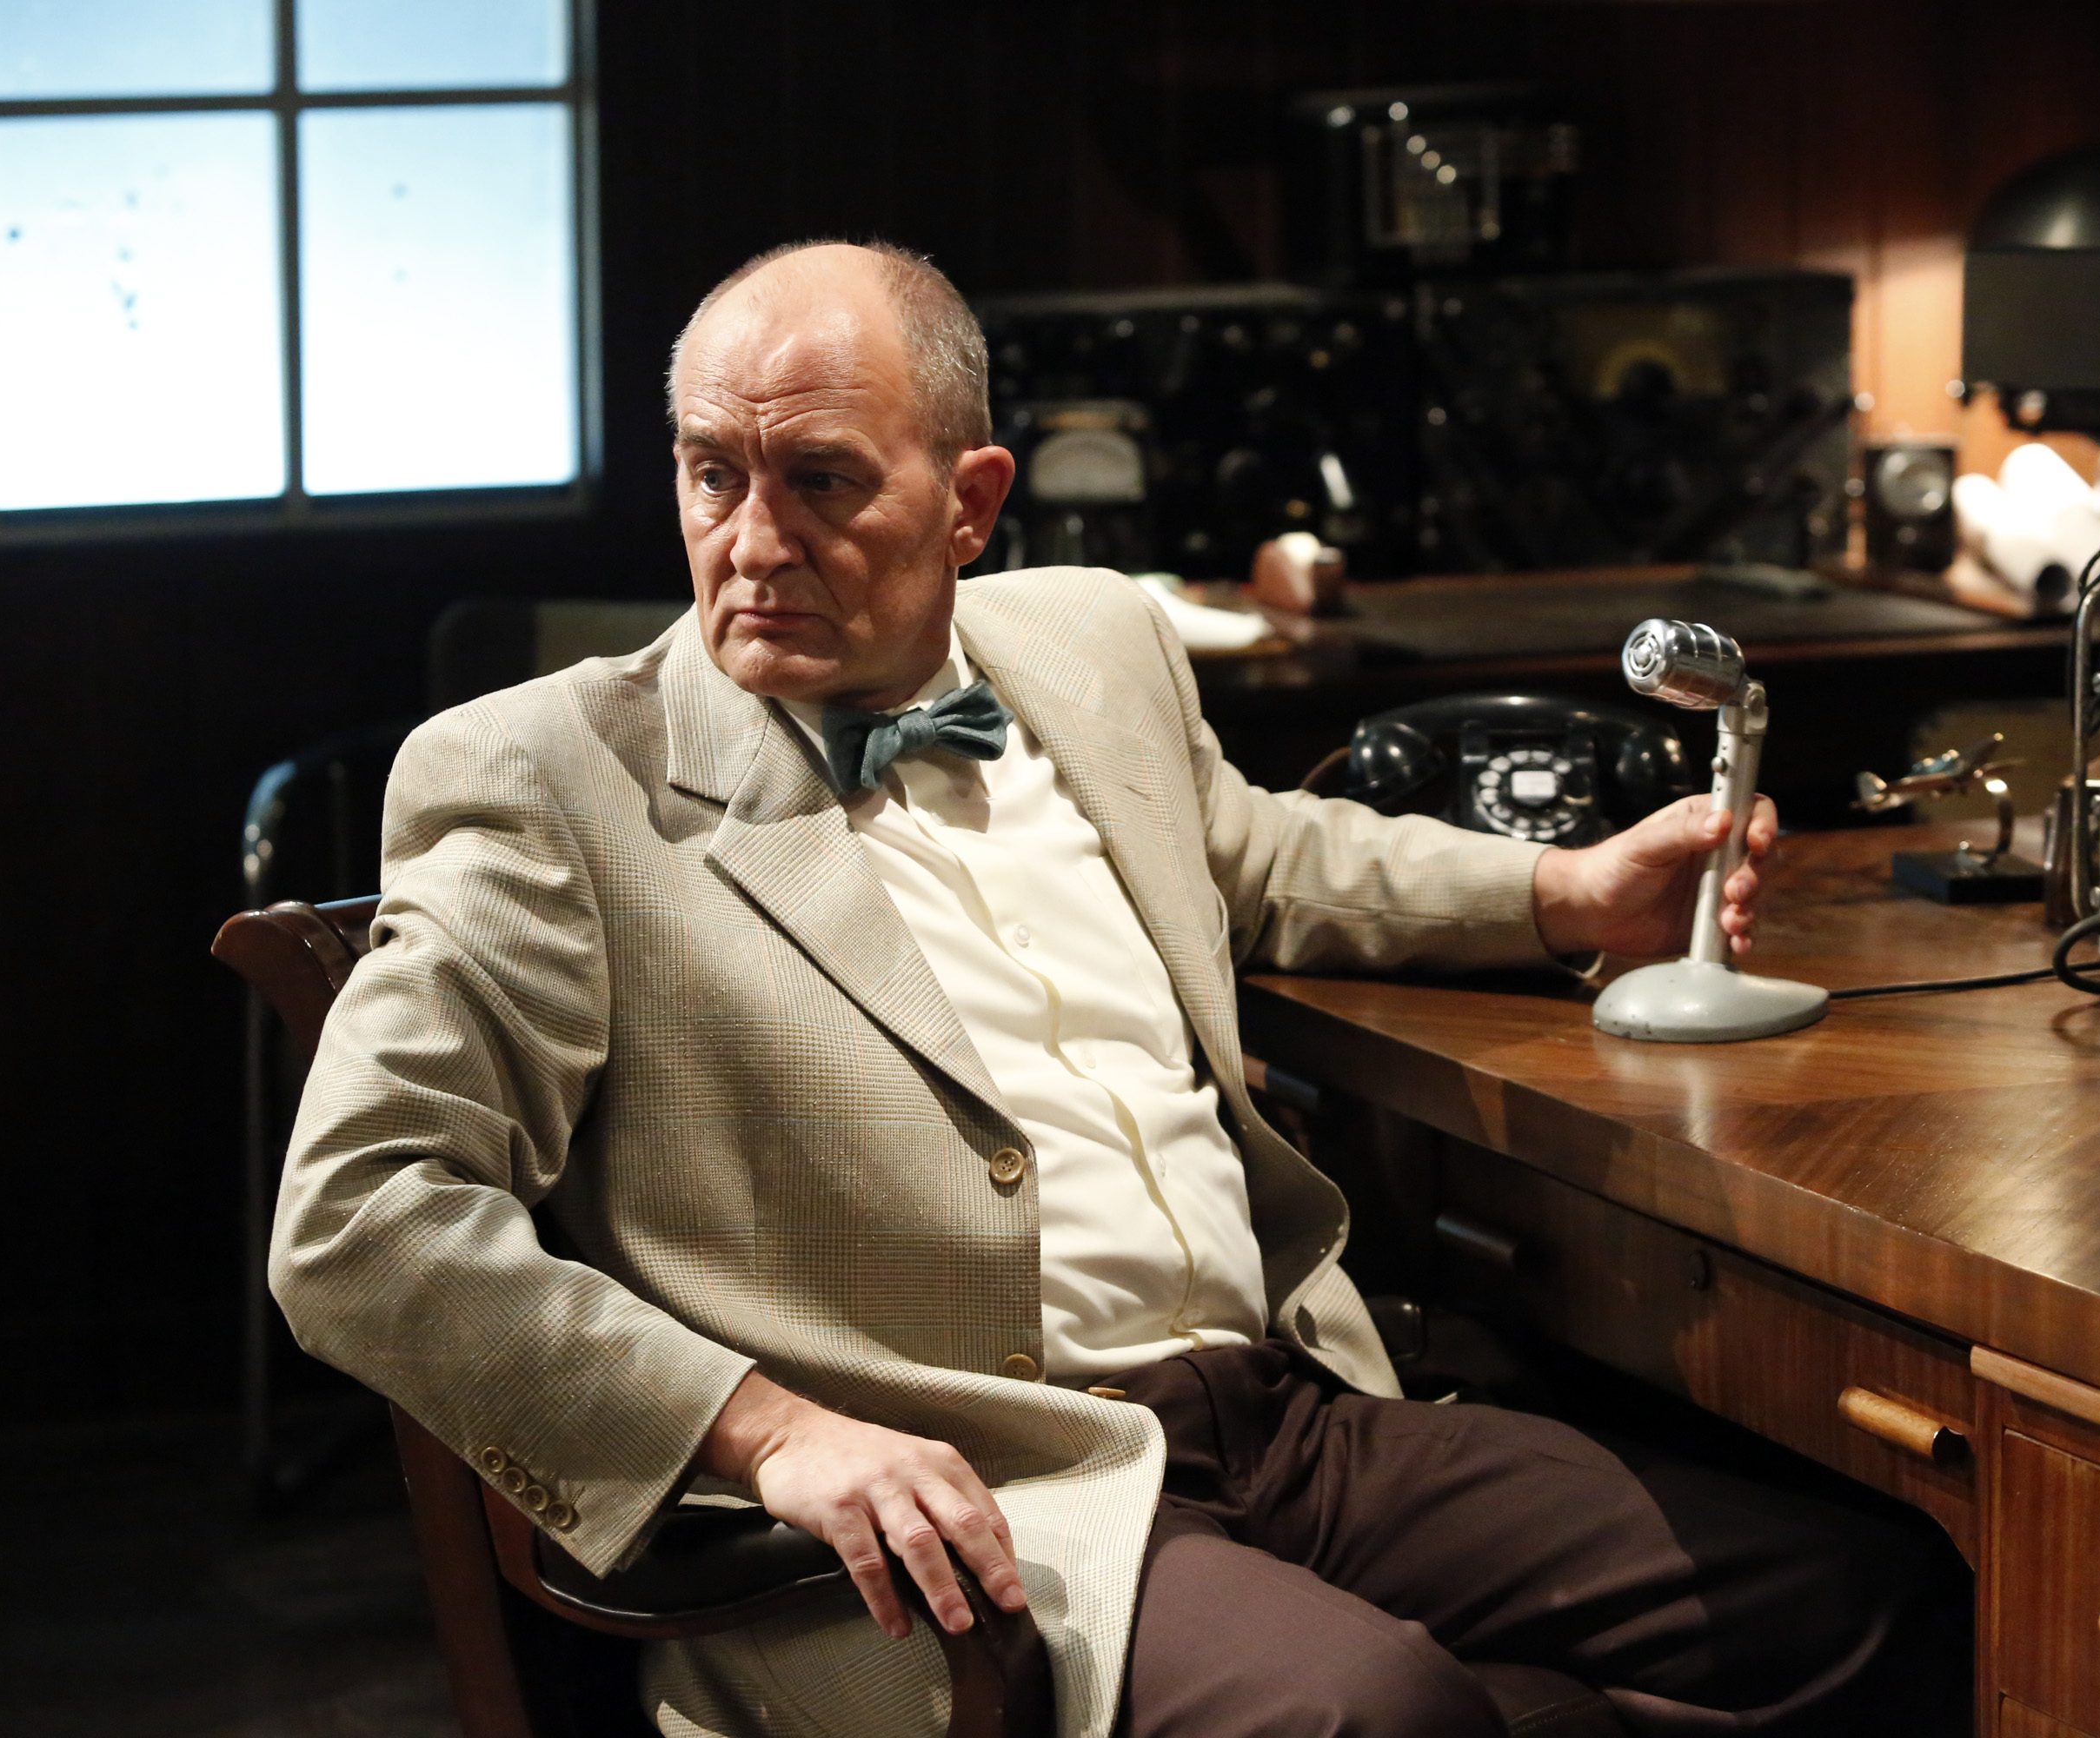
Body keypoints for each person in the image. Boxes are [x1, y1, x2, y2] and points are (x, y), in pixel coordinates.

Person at [272, 241, 1950, 1738]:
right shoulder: (548, 778)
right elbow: (362, 1213)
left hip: (1290, 1408)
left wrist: (1561, 894)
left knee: (1871, 1599)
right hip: (960, 1504)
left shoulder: (1088, 639)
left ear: (971, 501)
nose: (754, 542)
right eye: (714, 477)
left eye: (821, 481)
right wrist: (769, 1432)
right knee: (1378, 1715)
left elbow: (1256, 855)